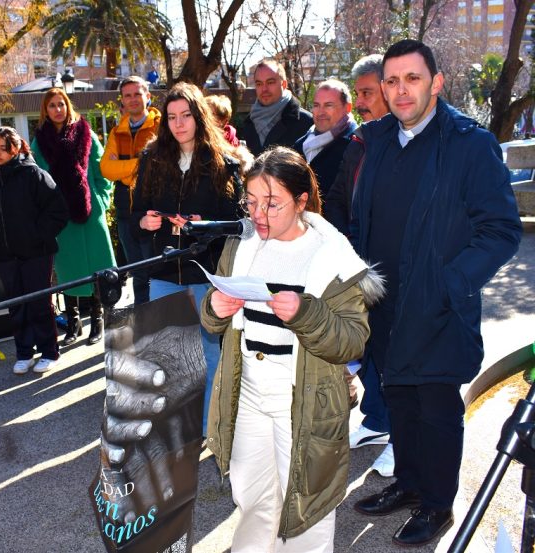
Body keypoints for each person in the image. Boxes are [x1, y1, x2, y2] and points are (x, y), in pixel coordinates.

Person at [351, 40, 522, 547]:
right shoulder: (377, 139)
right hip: (383, 302)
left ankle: (438, 505)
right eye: (392, 81)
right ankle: (408, 483)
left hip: (440, 307)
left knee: (437, 409)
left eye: (413, 78)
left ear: (436, 83)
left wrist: (451, 284)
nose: (401, 90)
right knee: (400, 400)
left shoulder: (470, 143)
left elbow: (501, 229)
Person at [203, 146, 383, 552]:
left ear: (301, 201)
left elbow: (353, 339)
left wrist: (306, 314)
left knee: (306, 504)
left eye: (272, 204)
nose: (259, 215)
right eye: (251, 202)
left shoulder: (332, 256)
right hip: (248, 392)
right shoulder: (240, 247)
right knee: (251, 497)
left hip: (304, 397)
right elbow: (215, 320)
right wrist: (214, 308)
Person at [131, 82, 244, 434]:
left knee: (209, 355)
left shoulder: (223, 162)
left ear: (199, 117)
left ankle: (209, 428)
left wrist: (204, 225)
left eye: (186, 116)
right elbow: (135, 213)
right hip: (164, 271)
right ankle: (176, 430)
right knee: (168, 357)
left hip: (205, 273)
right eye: (171, 117)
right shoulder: (152, 158)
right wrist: (145, 222)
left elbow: (237, 222)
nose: (179, 124)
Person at [323, 54, 394, 478]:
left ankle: (402, 437)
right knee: (367, 346)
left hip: (394, 267)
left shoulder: (408, 142)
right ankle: (378, 419)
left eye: (368, 93)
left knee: (395, 354)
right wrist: (341, 242)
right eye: (360, 92)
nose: (362, 101)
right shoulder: (361, 141)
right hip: (357, 262)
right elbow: (336, 197)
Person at [0, 127, 69, 374]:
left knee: (40, 303)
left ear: (16, 149)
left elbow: (58, 211)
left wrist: (37, 237)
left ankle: (49, 351)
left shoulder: (34, 175)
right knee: (16, 305)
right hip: (3, 256)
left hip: (36, 253)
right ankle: (24, 352)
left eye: (4, 148)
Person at [31, 88, 116, 346]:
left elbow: (102, 172)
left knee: (97, 268)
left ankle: (97, 321)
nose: (57, 109)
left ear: (68, 105)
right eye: (52, 105)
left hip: (90, 212)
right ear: (45, 110)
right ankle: (73, 323)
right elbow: (37, 181)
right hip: (61, 217)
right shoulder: (39, 141)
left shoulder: (85, 133)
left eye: (61, 104)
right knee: (68, 270)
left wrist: (101, 201)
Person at [100, 76, 161, 306]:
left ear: (148, 96)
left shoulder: (160, 127)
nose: (133, 99)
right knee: (137, 273)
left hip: (153, 209)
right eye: (128, 95)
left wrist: (123, 168)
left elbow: (160, 164)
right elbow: (106, 169)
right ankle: (143, 317)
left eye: (137, 94)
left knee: (158, 270)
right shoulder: (117, 132)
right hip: (126, 211)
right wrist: (140, 164)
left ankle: (163, 318)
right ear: (122, 101)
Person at [325, 54, 389, 234]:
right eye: (357, 94)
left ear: (389, 91)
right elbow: (335, 200)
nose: (358, 103)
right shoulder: (357, 143)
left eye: (366, 93)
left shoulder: (411, 144)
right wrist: (349, 240)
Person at [292, 79, 356, 202]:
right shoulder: (300, 145)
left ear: (347, 108)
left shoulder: (356, 145)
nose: (321, 112)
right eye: (316, 105)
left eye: (328, 105)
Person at [241, 59, 312, 156]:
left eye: (270, 82)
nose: (264, 89)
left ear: (284, 84)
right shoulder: (249, 123)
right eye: (259, 84)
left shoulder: (306, 122)